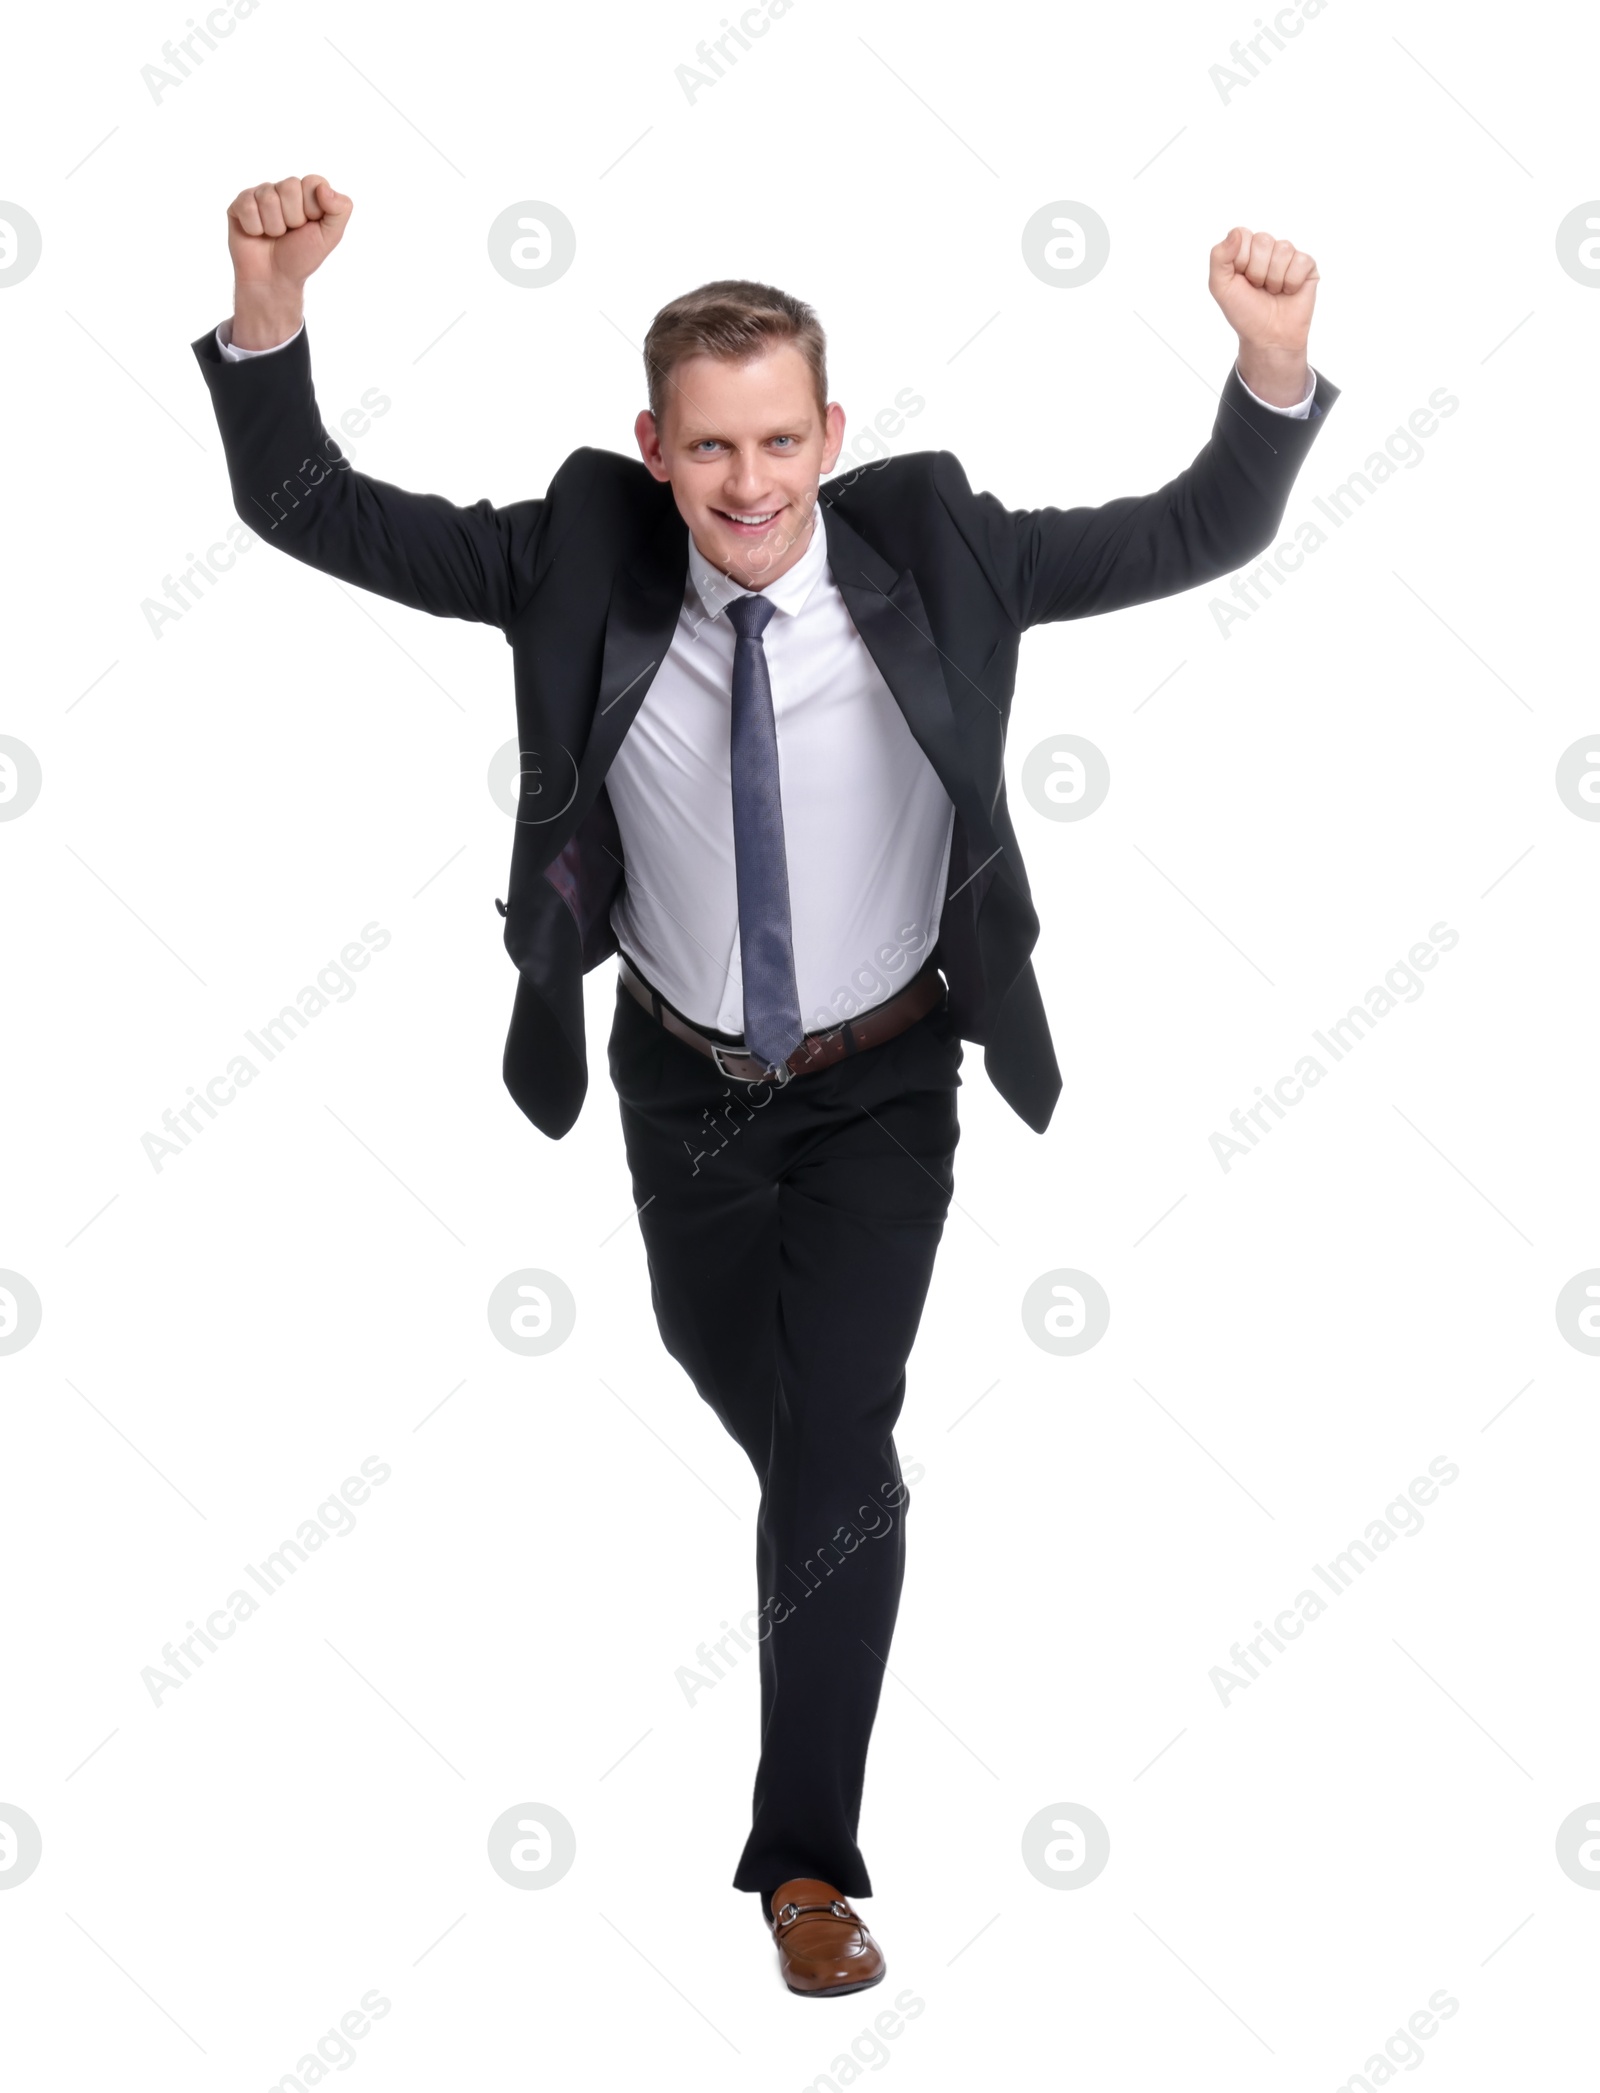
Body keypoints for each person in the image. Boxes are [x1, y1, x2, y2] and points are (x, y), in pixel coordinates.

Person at [192, 174, 1338, 1997]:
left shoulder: (941, 548)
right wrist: (269, 315)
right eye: (711, 447)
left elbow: (1190, 529)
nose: (748, 487)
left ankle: (806, 1867)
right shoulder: (577, 553)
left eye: (781, 440)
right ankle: (837, 1538)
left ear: (831, 430)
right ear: (656, 445)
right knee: (809, 1445)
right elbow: (307, 503)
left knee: (833, 1465)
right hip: (683, 1093)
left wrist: (1269, 371)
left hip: (884, 1085)